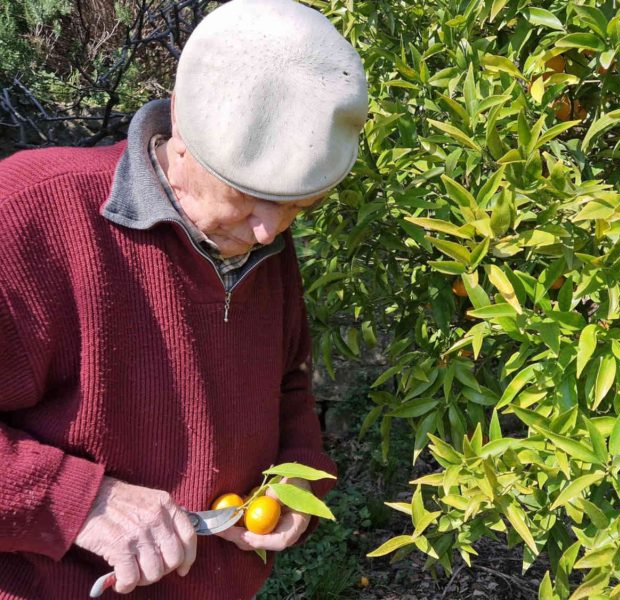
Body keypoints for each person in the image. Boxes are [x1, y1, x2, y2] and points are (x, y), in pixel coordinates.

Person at [0, 0, 368, 597]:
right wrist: (80, 500)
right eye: (248, 198)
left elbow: (287, 384)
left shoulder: (257, 242)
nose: (270, 232)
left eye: (300, 206)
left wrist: (298, 479)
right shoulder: (29, 216)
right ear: (185, 134)